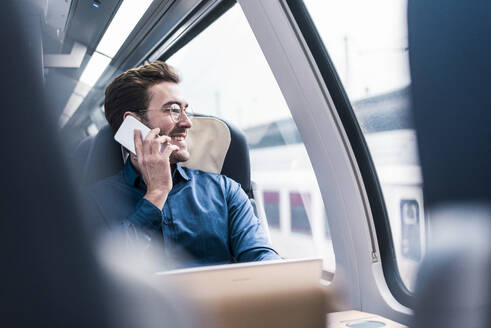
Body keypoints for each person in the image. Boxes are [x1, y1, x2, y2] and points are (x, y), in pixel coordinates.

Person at [84, 61, 280, 268]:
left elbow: (261, 257)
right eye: (173, 110)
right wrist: (156, 194)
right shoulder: (92, 203)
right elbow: (102, 272)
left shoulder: (225, 190)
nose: (187, 123)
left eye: (186, 109)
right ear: (134, 124)